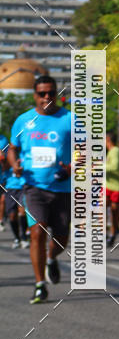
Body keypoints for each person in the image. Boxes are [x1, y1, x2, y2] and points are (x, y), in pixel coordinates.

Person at [7, 75, 71, 304]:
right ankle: (39, 284)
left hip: (63, 188)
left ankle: (52, 258)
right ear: (35, 95)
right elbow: (13, 148)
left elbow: (86, 150)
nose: (47, 97)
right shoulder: (24, 121)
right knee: (37, 231)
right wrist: (14, 164)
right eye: (42, 93)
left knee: (62, 239)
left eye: (51, 93)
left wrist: (72, 167)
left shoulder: (70, 119)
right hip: (33, 187)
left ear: (57, 94)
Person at [105, 132, 119, 248]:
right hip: (108, 185)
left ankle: (113, 234)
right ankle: (104, 233)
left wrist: (98, 167)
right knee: (101, 208)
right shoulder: (111, 152)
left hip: (117, 187)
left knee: (114, 213)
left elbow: (115, 166)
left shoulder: (115, 151)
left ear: (108, 139)